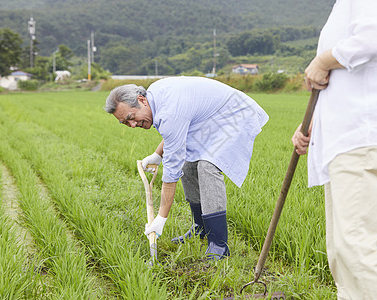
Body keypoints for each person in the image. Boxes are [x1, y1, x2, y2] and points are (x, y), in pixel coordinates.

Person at [291, 0, 377, 299]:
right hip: (345, 138)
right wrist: (310, 126)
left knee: (355, 247)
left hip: (364, 134)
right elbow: (346, 82)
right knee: (341, 255)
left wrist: (321, 61)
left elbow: (370, 40)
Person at [104, 76, 268, 260]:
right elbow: (175, 134)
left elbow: (171, 173)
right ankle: (200, 228)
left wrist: (161, 219)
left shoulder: (169, 110)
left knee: (207, 166)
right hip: (210, 118)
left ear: (142, 100)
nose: (132, 125)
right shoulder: (155, 98)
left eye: (131, 118)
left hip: (234, 114)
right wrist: (157, 156)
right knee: (188, 165)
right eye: (126, 123)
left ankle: (219, 245)